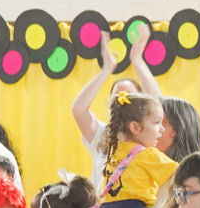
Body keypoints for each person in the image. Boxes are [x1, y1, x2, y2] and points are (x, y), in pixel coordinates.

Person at [70, 26, 163, 174]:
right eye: (116, 97)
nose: (122, 101)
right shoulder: (102, 136)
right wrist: (107, 69)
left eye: (129, 96)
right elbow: (78, 110)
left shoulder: (148, 135)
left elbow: (159, 105)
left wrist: (137, 61)